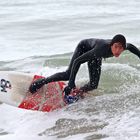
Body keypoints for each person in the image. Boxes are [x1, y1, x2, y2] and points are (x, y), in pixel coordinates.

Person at [29, 34, 140, 97]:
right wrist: (71, 83)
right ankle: (41, 82)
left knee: (93, 84)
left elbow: (134, 49)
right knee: (67, 75)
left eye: (121, 48)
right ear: (111, 45)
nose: (118, 50)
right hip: (84, 48)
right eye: (116, 47)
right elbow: (78, 61)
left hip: (96, 56)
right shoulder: (100, 50)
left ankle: (76, 93)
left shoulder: (125, 46)